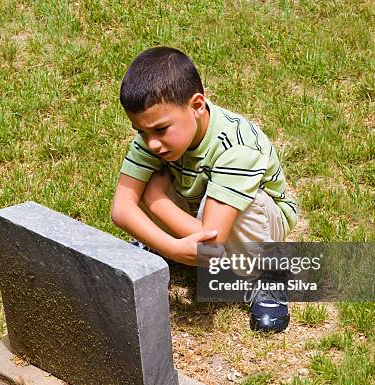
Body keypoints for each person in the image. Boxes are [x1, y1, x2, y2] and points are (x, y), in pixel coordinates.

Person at [110, 47, 298, 332]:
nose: (151, 144)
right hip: (199, 211)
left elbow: (212, 242)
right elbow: (121, 208)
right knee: (152, 178)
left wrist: (155, 199)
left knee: (244, 202)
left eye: (160, 130)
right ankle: (165, 248)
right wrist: (174, 248)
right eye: (141, 132)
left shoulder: (236, 146)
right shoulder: (155, 137)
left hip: (256, 225)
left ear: (197, 105)